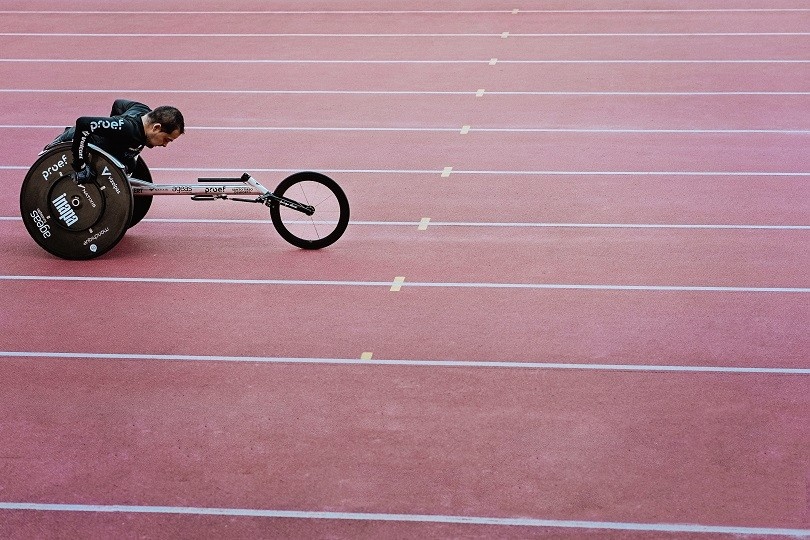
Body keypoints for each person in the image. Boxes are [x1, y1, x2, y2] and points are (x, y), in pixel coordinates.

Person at [44, 99, 184, 183]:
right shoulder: (126, 128)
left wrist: (112, 135)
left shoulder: (143, 110)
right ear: (156, 127)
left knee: (129, 163)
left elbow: (119, 104)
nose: (165, 145)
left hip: (99, 141)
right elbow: (83, 123)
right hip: (67, 143)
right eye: (166, 139)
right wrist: (80, 166)